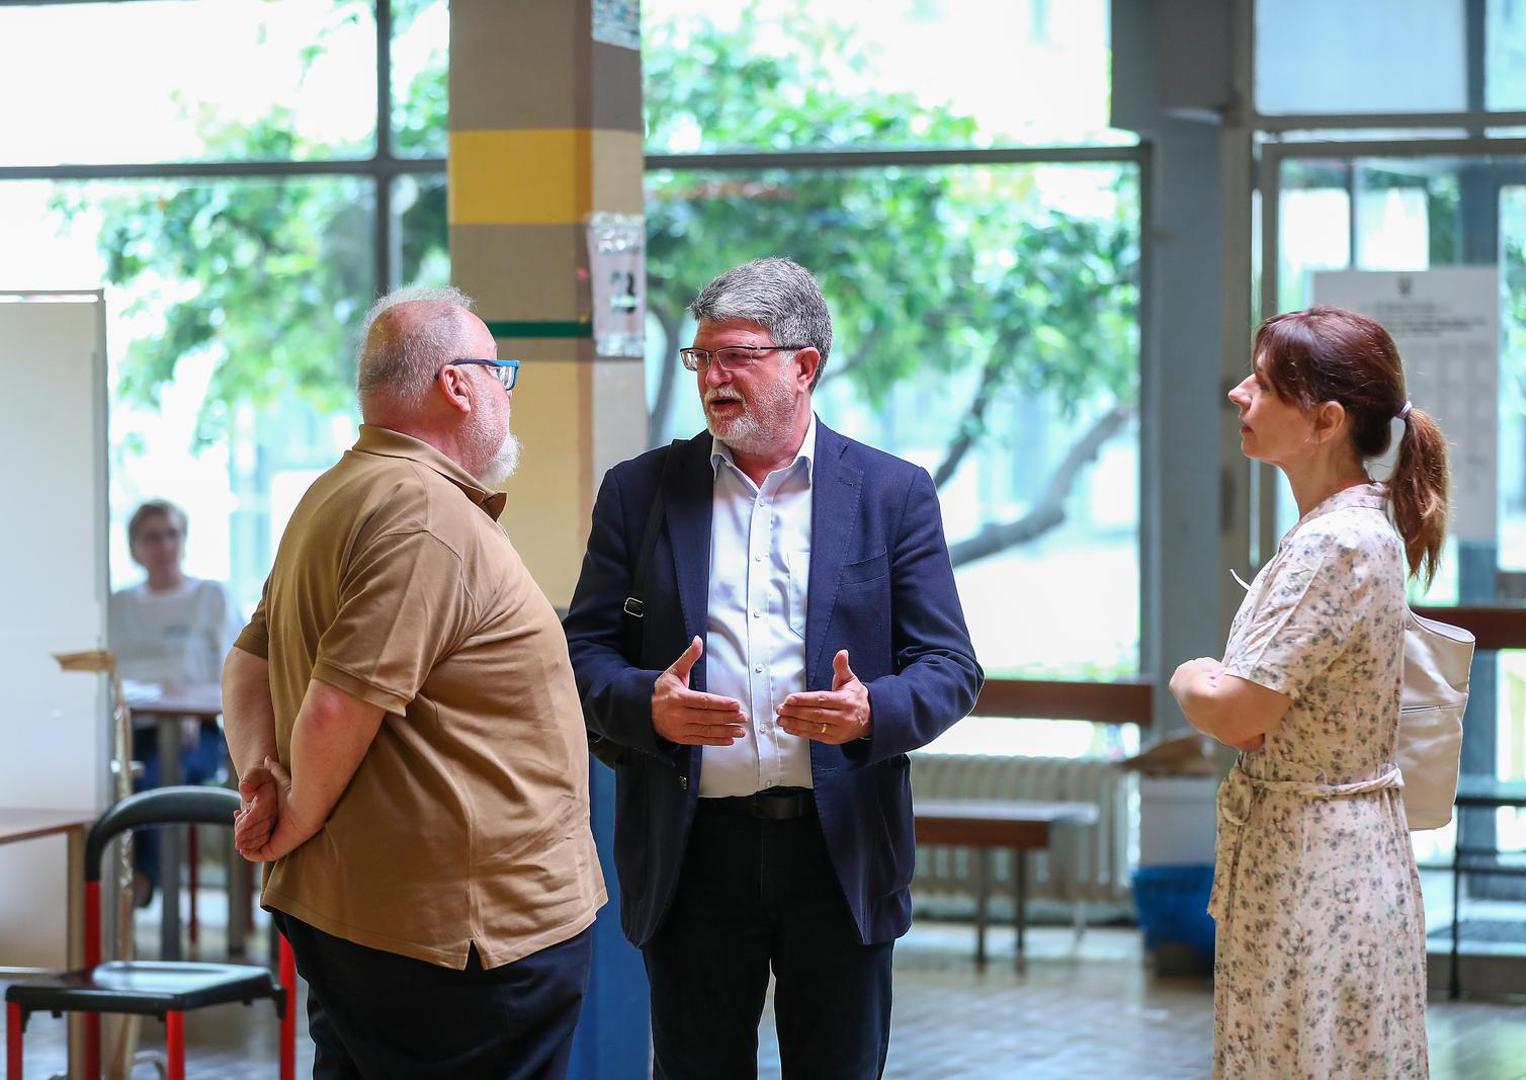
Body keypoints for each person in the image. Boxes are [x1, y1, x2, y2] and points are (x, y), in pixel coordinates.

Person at [565, 257, 983, 1079]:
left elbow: (949, 665)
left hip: (838, 854)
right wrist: (646, 707)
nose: (714, 377)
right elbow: (581, 655)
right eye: (702, 358)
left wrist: (873, 711)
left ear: (804, 365)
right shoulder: (639, 491)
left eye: (737, 356)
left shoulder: (891, 493)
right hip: (691, 853)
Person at [223, 286, 605, 1079]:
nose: (506, 393)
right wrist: (288, 815)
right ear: (458, 384)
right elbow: (338, 705)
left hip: (380, 920)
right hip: (460, 941)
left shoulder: (337, 492)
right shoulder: (425, 513)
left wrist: (261, 775)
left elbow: (248, 661)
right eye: (501, 372)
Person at [1169, 305, 1447, 1078]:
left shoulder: (1337, 541)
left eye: (1263, 383)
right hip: (1319, 853)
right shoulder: (1352, 527)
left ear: (1325, 420)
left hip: (1317, 867)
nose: (1238, 394)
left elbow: (1241, 712)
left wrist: (1188, 676)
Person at [108, 498, 240, 904]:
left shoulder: (211, 597)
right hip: (132, 732)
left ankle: (144, 881)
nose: (164, 545)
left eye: (172, 534)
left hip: (194, 736)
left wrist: (190, 705)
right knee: (124, 778)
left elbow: (236, 673)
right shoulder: (117, 605)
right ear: (134, 547)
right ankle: (128, 889)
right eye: (152, 536)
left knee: (154, 781)